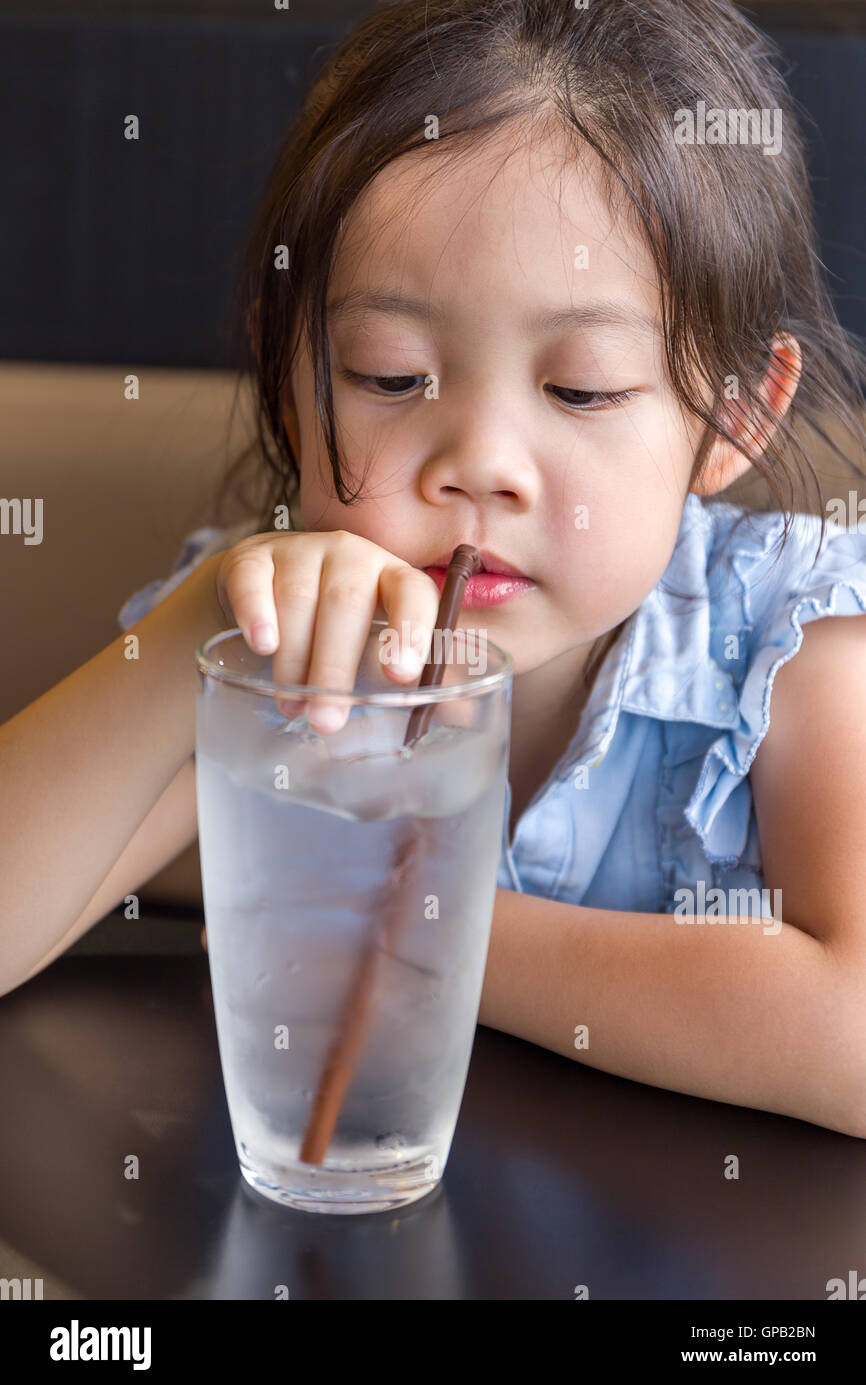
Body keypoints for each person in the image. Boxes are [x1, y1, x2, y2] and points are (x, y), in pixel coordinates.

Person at [4, 0, 866, 1138]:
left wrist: (407, 920)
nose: (480, 466)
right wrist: (190, 635)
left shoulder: (792, 637)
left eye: (581, 390)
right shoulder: (277, 638)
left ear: (735, 414)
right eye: (390, 374)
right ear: (289, 378)